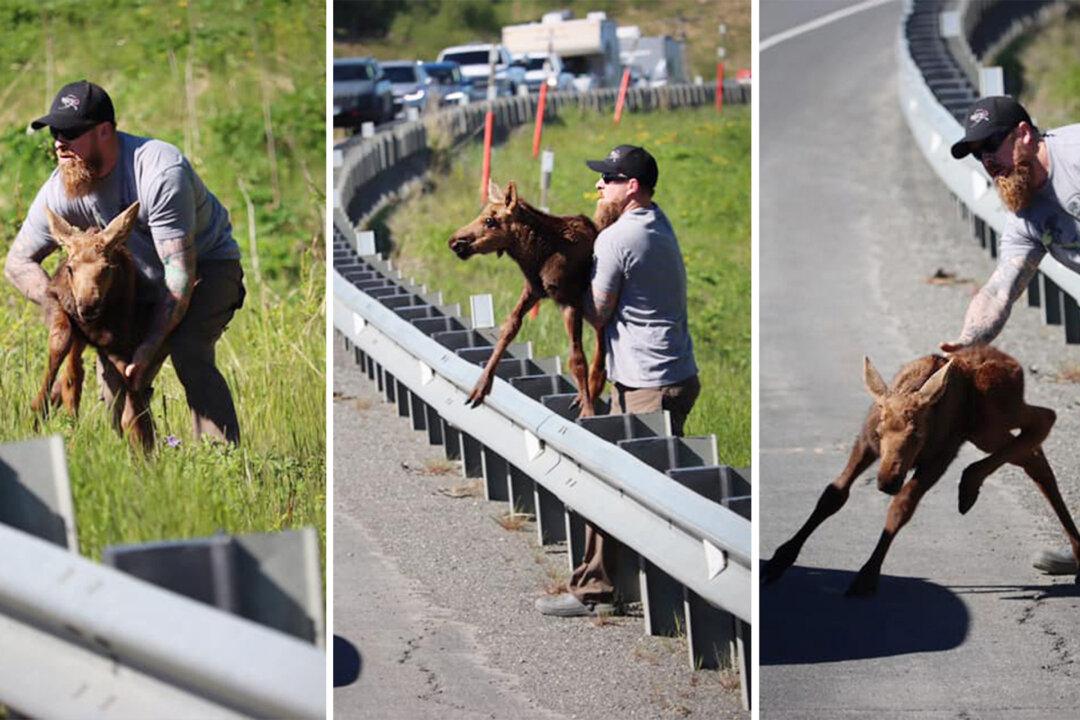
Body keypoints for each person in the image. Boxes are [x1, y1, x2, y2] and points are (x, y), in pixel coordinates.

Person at [4, 80, 245, 444]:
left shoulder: (159, 172)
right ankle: (147, 475)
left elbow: (180, 276)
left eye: (70, 133)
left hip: (206, 268)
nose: (58, 143)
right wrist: (65, 311)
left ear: (104, 131)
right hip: (134, 285)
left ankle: (223, 461)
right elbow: (18, 263)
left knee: (187, 348)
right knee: (115, 382)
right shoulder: (62, 189)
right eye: (55, 132)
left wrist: (149, 344)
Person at [536, 144, 700, 617]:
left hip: (650, 384)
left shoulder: (618, 239)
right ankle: (605, 587)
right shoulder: (656, 220)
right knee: (624, 484)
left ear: (632, 187)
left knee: (622, 489)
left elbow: (598, 311)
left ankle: (612, 592)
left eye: (607, 179)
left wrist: (563, 284)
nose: (597, 186)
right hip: (669, 374)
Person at [945, 95, 1080, 575]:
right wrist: (964, 349)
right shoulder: (1023, 215)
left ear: (1024, 134)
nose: (988, 163)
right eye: (978, 155)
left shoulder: (1075, 156)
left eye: (992, 148)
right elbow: (1001, 289)